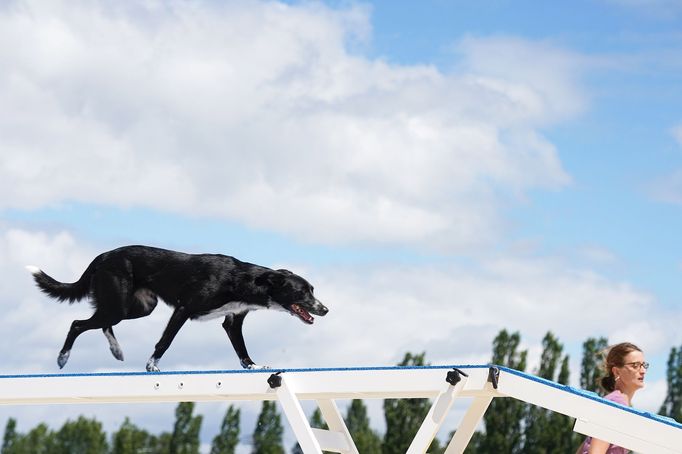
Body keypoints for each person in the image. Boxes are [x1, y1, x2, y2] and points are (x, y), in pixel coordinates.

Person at [578, 342, 648, 454]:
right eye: (635, 365)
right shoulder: (616, 403)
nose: (643, 371)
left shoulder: (616, 402)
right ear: (616, 371)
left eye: (644, 365)